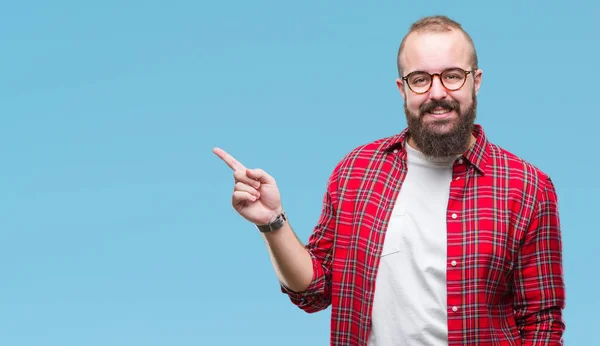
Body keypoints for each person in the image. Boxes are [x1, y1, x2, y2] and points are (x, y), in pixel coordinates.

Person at [213, 15, 565, 346]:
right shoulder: (355, 171)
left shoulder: (527, 187)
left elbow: (542, 322)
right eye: (421, 79)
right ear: (403, 89)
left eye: (453, 75)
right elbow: (315, 291)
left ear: (476, 81)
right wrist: (273, 222)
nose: (438, 92)